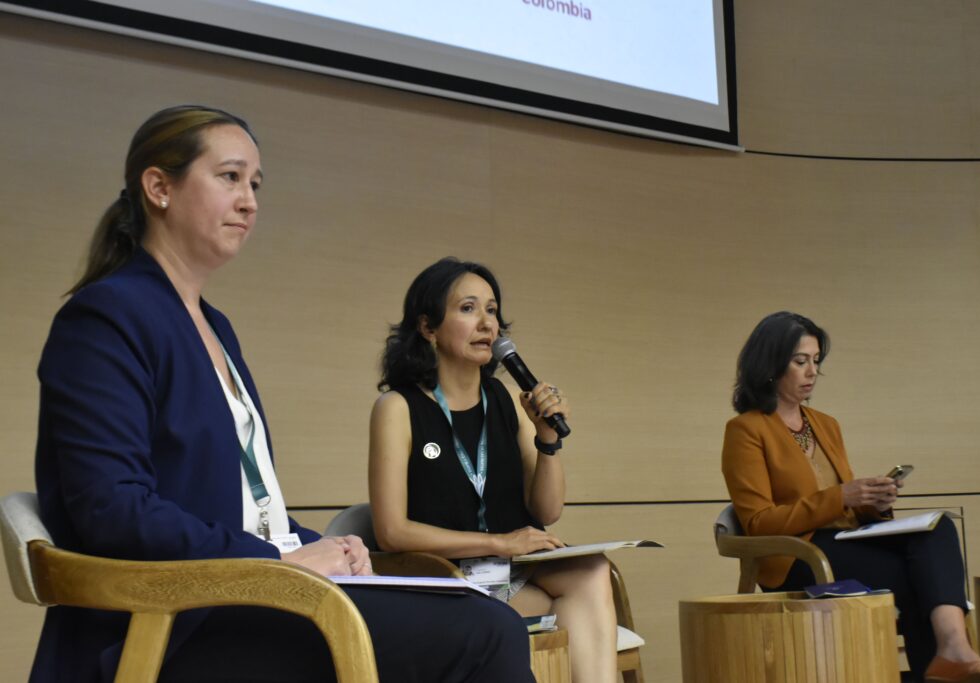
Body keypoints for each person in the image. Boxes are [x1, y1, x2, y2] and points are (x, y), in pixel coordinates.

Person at [30, 105, 534, 683]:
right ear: (159, 188)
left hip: (246, 596)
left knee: (478, 615)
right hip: (172, 623)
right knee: (486, 631)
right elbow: (112, 510)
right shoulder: (105, 318)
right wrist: (279, 560)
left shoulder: (215, 326)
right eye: (230, 177)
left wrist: (326, 547)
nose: (249, 201)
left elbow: (245, 506)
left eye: (255, 184)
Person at [721, 311, 980, 683]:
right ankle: (951, 658)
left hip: (843, 540)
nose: (812, 372)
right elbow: (759, 523)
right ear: (771, 364)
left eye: (816, 361)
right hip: (797, 555)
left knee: (938, 529)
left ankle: (953, 651)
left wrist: (872, 504)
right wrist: (842, 495)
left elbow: (845, 507)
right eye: (800, 361)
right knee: (918, 578)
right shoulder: (745, 430)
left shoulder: (825, 424)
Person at [369, 257, 618, 683]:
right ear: (428, 327)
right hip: (444, 578)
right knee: (567, 617)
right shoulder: (398, 408)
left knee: (592, 570)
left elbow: (547, 510)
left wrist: (547, 441)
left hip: (508, 571)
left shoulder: (504, 399)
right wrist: (499, 542)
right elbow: (392, 531)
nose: (487, 323)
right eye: (468, 309)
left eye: (491, 310)